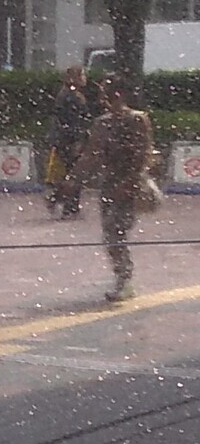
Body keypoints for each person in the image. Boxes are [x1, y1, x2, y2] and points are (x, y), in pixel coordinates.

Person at [74, 79, 154, 302]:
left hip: (126, 184)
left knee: (114, 230)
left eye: (105, 94)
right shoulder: (103, 123)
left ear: (117, 95)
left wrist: (131, 181)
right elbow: (93, 154)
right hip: (110, 183)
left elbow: (144, 153)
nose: (103, 99)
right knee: (112, 232)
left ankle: (124, 279)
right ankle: (123, 277)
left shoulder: (136, 120)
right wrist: (75, 178)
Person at [45, 65, 92, 216]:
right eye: (82, 75)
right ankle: (69, 204)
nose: (85, 78)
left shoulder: (66, 94)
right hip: (69, 140)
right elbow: (73, 120)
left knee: (69, 172)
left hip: (63, 139)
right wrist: (77, 140)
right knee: (74, 173)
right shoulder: (72, 97)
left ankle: (61, 200)